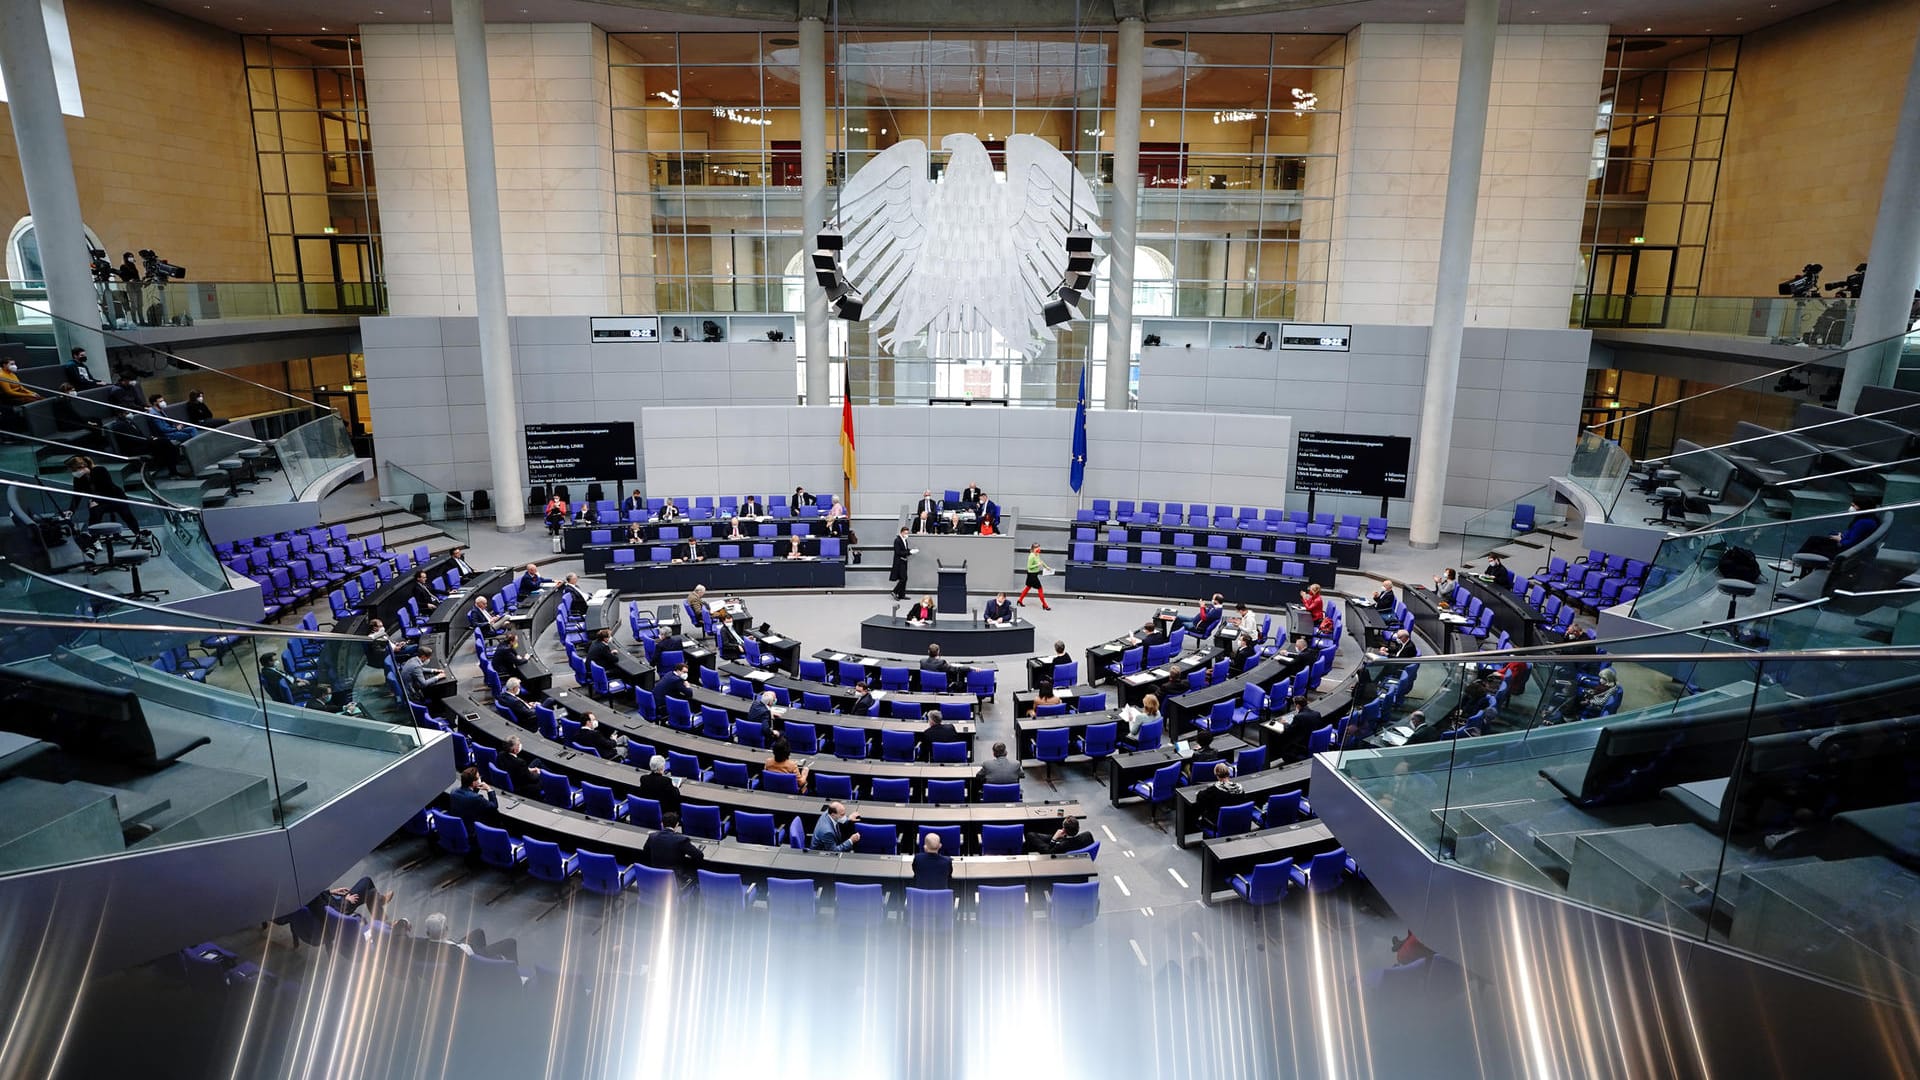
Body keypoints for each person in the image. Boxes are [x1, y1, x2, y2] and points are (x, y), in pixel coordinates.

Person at [1793, 496, 1882, 570]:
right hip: (1843, 543)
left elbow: (1851, 543)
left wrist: (1841, 539)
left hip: (1844, 551)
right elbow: (1853, 534)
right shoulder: (1864, 518)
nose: (1851, 508)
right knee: (1814, 539)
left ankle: (1798, 571)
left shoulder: (1864, 522)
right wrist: (1842, 536)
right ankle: (1791, 562)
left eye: (1854, 505)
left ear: (1862, 507)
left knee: (1811, 550)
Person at [64, 455, 141, 534]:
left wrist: (97, 501)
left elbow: (108, 488)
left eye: (73, 469)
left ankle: (138, 534)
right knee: (95, 512)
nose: (73, 472)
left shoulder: (100, 470)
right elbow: (77, 494)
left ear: (82, 466)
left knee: (126, 514)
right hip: (98, 501)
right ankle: (95, 538)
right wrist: (71, 510)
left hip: (114, 497)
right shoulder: (78, 478)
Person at [642, 811, 707, 884]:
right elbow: (699, 855)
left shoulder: (652, 836)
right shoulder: (681, 840)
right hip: (675, 881)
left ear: (662, 824)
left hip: (656, 878)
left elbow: (645, 852)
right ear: (677, 825)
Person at [1191, 762, 1246, 830]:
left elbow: (1200, 796)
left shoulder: (1214, 790)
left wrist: (1199, 792)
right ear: (1228, 773)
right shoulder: (1240, 788)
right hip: (1237, 820)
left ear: (1217, 775)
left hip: (1220, 823)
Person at [1026, 815, 1097, 855]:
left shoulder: (1061, 845)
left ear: (1063, 830)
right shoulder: (1088, 835)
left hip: (1052, 849)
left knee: (1031, 835)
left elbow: (1048, 853)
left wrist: (1054, 838)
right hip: (1074, 847)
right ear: (1078, 828)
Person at [1017, 543, 1054, 610]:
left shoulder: (1037, 554)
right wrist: (1037, 565)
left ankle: (1019, 601)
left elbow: (1041, 561)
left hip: (1035, 574)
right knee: (1040, 589)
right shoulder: (1031, 556)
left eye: (1039, 547)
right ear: (1033, 549)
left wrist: (1046, 567)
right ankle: (1045, 605)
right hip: (1032, 575)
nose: (1039, 549)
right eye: (1037, 548)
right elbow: (1029, 567)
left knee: (1028, 587)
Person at [891, 526, 914, 600]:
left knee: (904, 578)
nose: (906, 534)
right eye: (905, 533)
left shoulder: (905, 540)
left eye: (907, 533)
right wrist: (909, 552)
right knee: (903, 578)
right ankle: (894, 592)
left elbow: (905, 550)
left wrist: (911, 551)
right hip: (899, 561)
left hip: (904, 561)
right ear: (901, 532)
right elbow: (898, 552)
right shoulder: (897, 540)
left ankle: (901, 594)